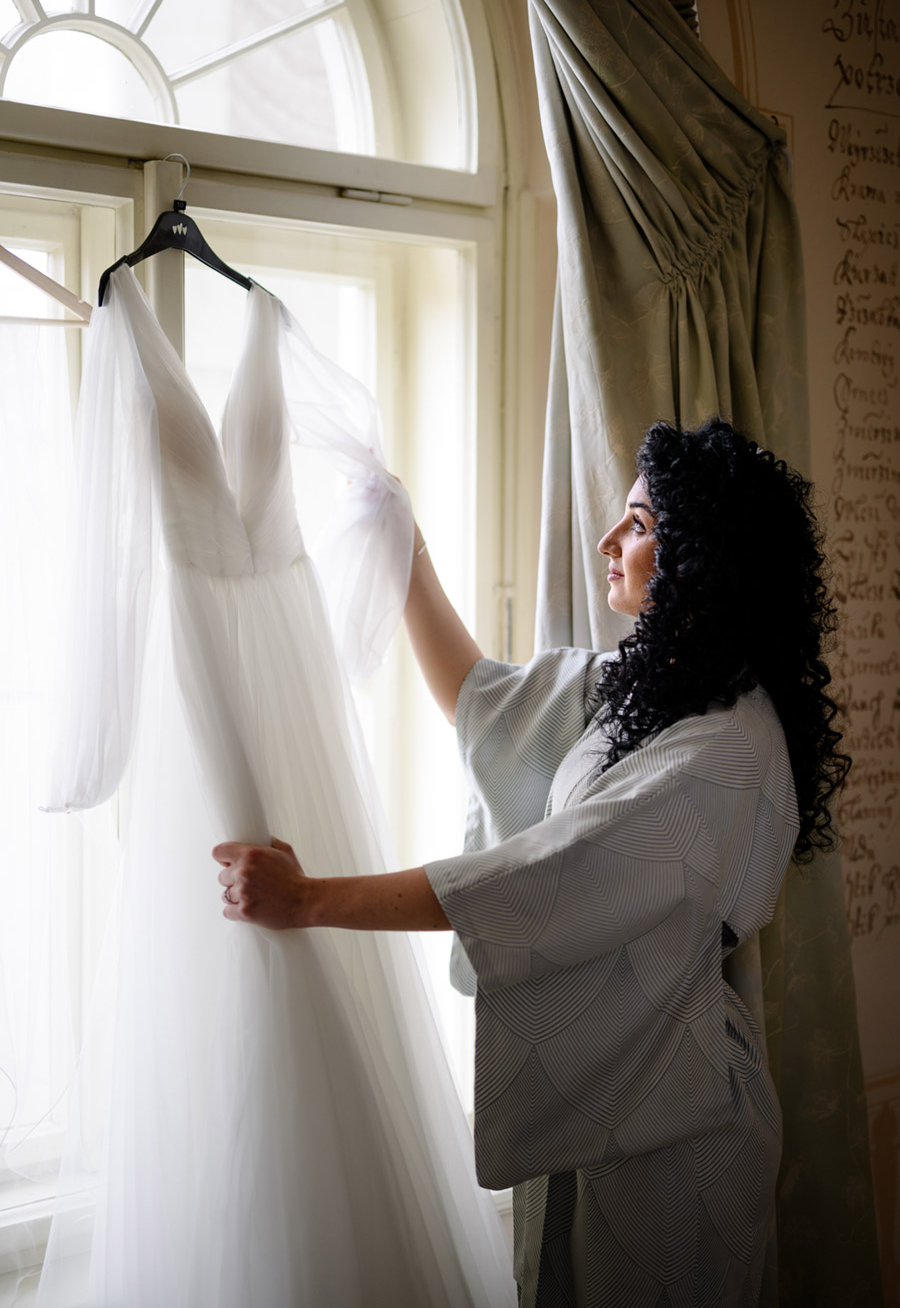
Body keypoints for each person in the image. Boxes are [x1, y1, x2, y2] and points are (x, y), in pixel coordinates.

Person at [213, 417, 849, 1307]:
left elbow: (546, 877)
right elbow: (488, 704)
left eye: (638, 522)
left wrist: (310, 898)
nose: (608, 540)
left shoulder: (728, 751)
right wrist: (406, 545)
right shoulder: (648, 690)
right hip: (618, 1080)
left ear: (705, 552)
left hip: (679, 1126)